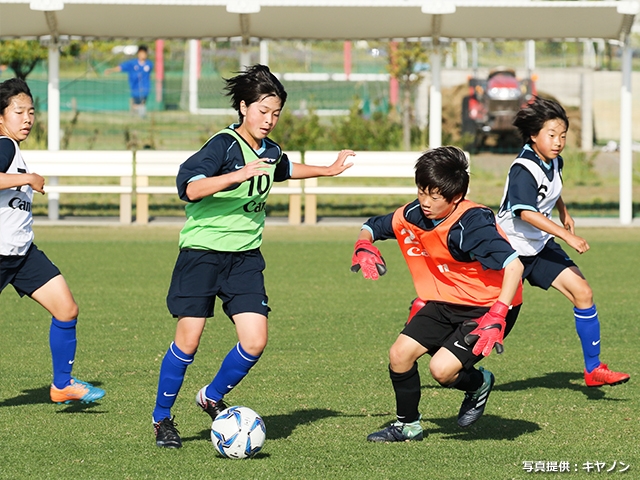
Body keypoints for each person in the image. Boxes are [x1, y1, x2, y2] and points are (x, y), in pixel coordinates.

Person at [152, 64, 355, 449]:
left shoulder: (270, 150)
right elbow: (190, 188)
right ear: (244, 107)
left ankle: (210, 396)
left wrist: (328, 170)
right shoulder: (223, 146)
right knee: (189, 340)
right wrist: (236, 175)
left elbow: (284, 167)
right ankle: (162, 419)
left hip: (244, 259)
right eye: (263, 111)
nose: (269, 119)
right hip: (202, 254)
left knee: (255, 340)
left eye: (276, 113)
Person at [351, 146, 524, 443]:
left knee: (441, 371)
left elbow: (515, 266)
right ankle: (408, 425)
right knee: (399, 355)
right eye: (422, 191)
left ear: (455, 197)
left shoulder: (473, 225)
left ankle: (479, 382)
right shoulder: (414, 213)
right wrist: (363, 244)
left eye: (434, 196)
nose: (425, 202)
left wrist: (498, 314)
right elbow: (372, 226)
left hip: (488, 307)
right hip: (444, 301)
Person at [496, 96, 630, 388]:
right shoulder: (523, 168)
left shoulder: (554, 161)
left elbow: (550, 191)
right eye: (552, 135)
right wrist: (566, 234)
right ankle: (426, 317)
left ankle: (593, 369)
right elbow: (525, 211)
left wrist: (563, 211)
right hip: (508, 251)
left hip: (539, 248)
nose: (558, 141)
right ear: (534, 135)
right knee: (490, 319)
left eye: (563, 135)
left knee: (583, 292)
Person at [0, 78, 105, 405]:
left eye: (31, 112)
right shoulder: (3, 146)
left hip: (22, 254)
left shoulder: (12, 149)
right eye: (19, 112)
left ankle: (62, 384)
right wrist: (27, 178)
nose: (28, 119)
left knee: (66, 308)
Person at [105, 45, 153, 118]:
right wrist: (111, 70)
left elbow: (149, 75)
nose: (143, 55)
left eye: (144, 53)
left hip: (145, 88)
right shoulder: (132, 63)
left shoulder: (149, 64)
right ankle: (135, 113)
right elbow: (121, 67)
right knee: (136, 104)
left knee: (143, 103)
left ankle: (140, 116)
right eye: (141, 53)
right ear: (138, 53)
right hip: (134, 87)